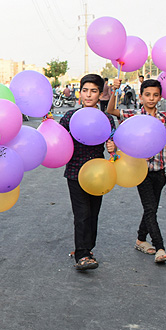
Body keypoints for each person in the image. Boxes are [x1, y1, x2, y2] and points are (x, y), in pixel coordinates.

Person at [107, 78, 166, 264]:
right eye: (147, 95)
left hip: (159, 172)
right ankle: (160, 247)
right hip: (140, 172)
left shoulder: (165, 118)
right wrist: (114, 91)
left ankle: (141, 239)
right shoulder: (134, 116)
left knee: (149, 210)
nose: (151, 99)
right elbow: (111, 110)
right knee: (150, 209)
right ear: (141, 97)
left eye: (155, 95)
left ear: (160, 97)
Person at [58, 74, 117, 271]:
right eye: (85, 90)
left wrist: (112, 147)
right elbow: (58, 140)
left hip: (99, 174)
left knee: (93, 214)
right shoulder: (69, 117)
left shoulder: (106, 118)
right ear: (80, 93)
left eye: (93, 91)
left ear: (100, 94)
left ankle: (88, 249)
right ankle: (81, 254)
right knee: (81, 214)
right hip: (75, 172)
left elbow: (115, 145)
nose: (88, 95)